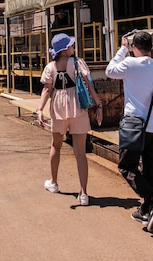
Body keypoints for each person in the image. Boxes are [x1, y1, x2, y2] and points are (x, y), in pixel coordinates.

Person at [105, 30, 153, 232]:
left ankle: (152, 200)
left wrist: (122, 49)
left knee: (127, 167)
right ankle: (146, 211)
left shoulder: (129, 64)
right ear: (151, 48)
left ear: (134, 47)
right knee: (151, 172)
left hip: (134, 126)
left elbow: (110, 70)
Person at [36, 33, 102, 206]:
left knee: (55, 146)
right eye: (71, 45)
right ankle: (84, 194)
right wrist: (99, 105)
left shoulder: (51, 67)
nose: (73, 47)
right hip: (78, 108)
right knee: (80, 153)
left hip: (58, 110)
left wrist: (40, 110)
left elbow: (46, 90)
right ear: (65, 49)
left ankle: (54, 182)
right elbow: (89, 85)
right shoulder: (78, 63)